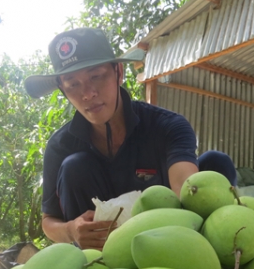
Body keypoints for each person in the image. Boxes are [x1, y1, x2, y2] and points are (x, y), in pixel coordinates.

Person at [24, 28, 237, 250]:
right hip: (101, 249)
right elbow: (49, 221)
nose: (87, 93)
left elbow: (185, 186)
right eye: (72, 84)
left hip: (164, 235)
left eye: (95, 76)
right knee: (74, 167)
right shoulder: (61, 146)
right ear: (63, 89)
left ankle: (222, 251)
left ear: (119, 72)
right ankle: (92, 267)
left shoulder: (166, 126)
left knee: (216, 163)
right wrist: (71, 230)